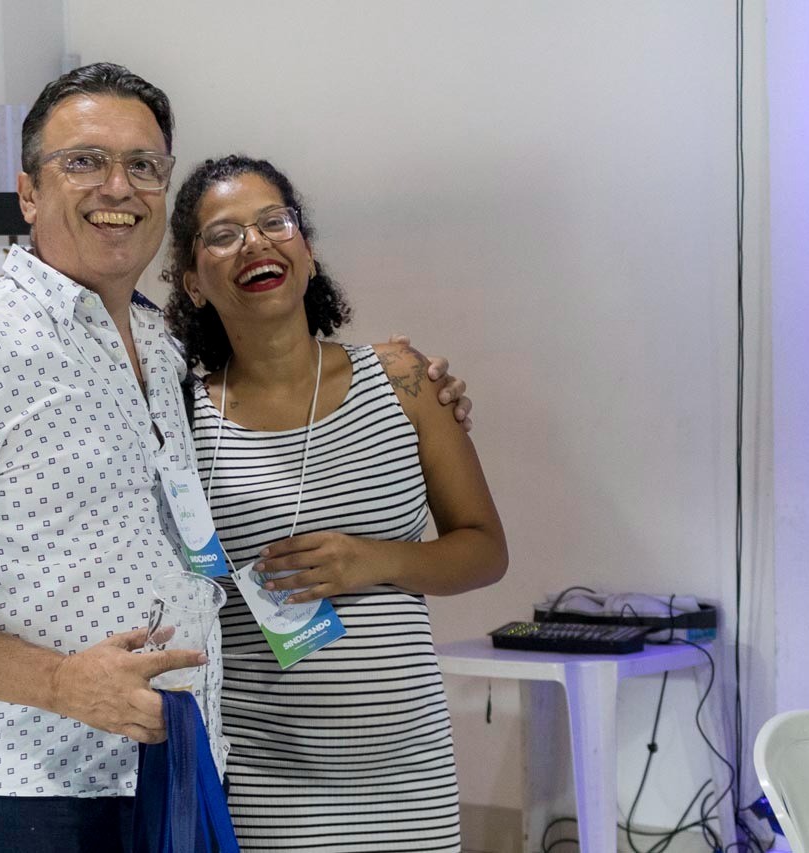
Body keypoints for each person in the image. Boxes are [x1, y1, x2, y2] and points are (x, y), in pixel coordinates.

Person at [0, 63, 472, 853]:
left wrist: (420, 390)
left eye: (143, 165)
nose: (118, 187)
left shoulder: (163, 352)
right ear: (28, 193)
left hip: (171, 779)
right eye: (84, 161)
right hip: (26, 793)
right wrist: (59, 681)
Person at [163, 154, 509, 852]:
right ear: (193, 282)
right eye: (224, 235)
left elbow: (484, 549)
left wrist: (371, 560)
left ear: (308, 251)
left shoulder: (404, 380)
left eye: (275, 222)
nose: (255, 243)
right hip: (262, 779)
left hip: (409, 776)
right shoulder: (180, 416)